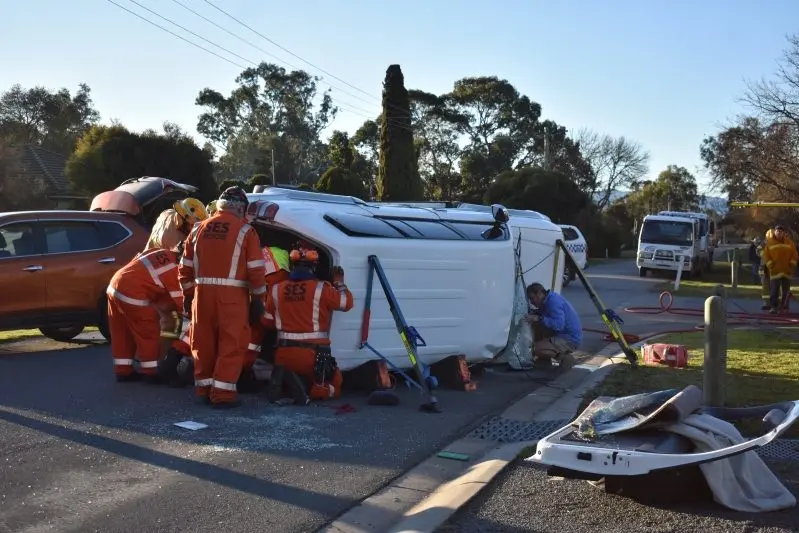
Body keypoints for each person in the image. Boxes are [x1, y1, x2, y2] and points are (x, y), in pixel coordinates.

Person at [179, 187, 267, 408]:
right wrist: (258, 298)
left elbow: (185, 268)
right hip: (232, 296)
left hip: (201, 295)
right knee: (232, 343)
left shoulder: (198, 229)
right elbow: (256, 270)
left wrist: (188, 294)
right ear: (240, 207)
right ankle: (223, 394)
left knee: (202, 342)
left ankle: (203, 389)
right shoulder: (246, 231)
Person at [265, 242, 353, 401]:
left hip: (283, 356)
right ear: (314, 268)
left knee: (290, 377)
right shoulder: (321, 289)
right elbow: (346, 303)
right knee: (335, 382)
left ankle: (290, 385)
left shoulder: (276, 289)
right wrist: (339, 282)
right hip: (312, 356)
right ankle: (315, 390)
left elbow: (266, 320)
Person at [106, 209, 187, 383]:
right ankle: (151, 372)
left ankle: (123, 370)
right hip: (133, 293)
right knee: (148, 331)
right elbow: (181, 301)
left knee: (122, 332)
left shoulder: (160, 252)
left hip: (114, 286)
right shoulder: (174, 268)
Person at [525, 282, 582, 371]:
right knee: (537, 325)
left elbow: (559, 325)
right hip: (564, 335)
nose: (531, 302)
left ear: (539, 294)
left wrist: (539, 318)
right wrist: (535, 313)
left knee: (532, 349)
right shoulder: (549, 299)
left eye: (532, 298)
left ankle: (565, 358)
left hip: (570, 339)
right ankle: (544, 360)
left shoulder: (553, 303)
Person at [762, 224, 798, 314]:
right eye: (777, 231)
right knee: (774, 290)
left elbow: (795, 254)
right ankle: (774, 307)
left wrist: (792, 264)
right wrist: (770, 264)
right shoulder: (770, 242)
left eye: (781, 231)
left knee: (786, 291)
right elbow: (766, 255)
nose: (779, 233)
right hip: (775, 271)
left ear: (784, 233)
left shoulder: (790, 243)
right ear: (775, 232)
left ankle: (784, 308)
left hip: (787, 271)